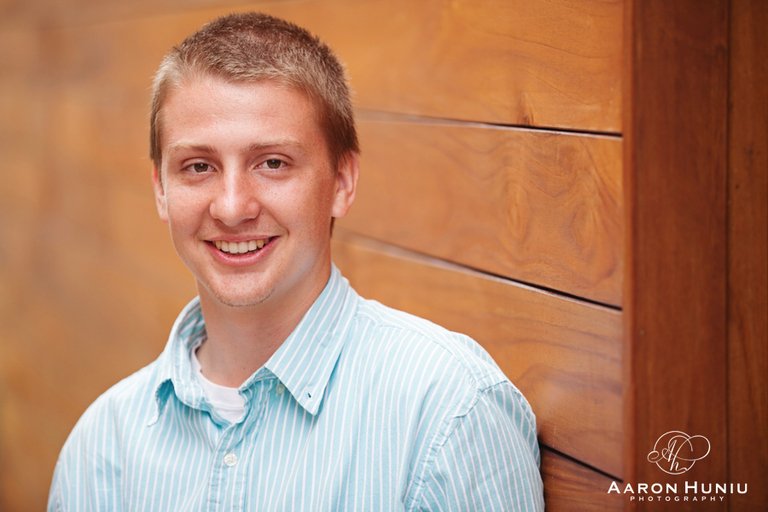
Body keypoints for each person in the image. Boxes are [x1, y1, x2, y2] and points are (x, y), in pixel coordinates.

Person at [48, 12, 544, 511]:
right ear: (161, 189)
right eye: (198, 166)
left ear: (342, 182)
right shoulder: (101, 450)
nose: (232, 208)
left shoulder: (447, 411)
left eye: (272, 163)